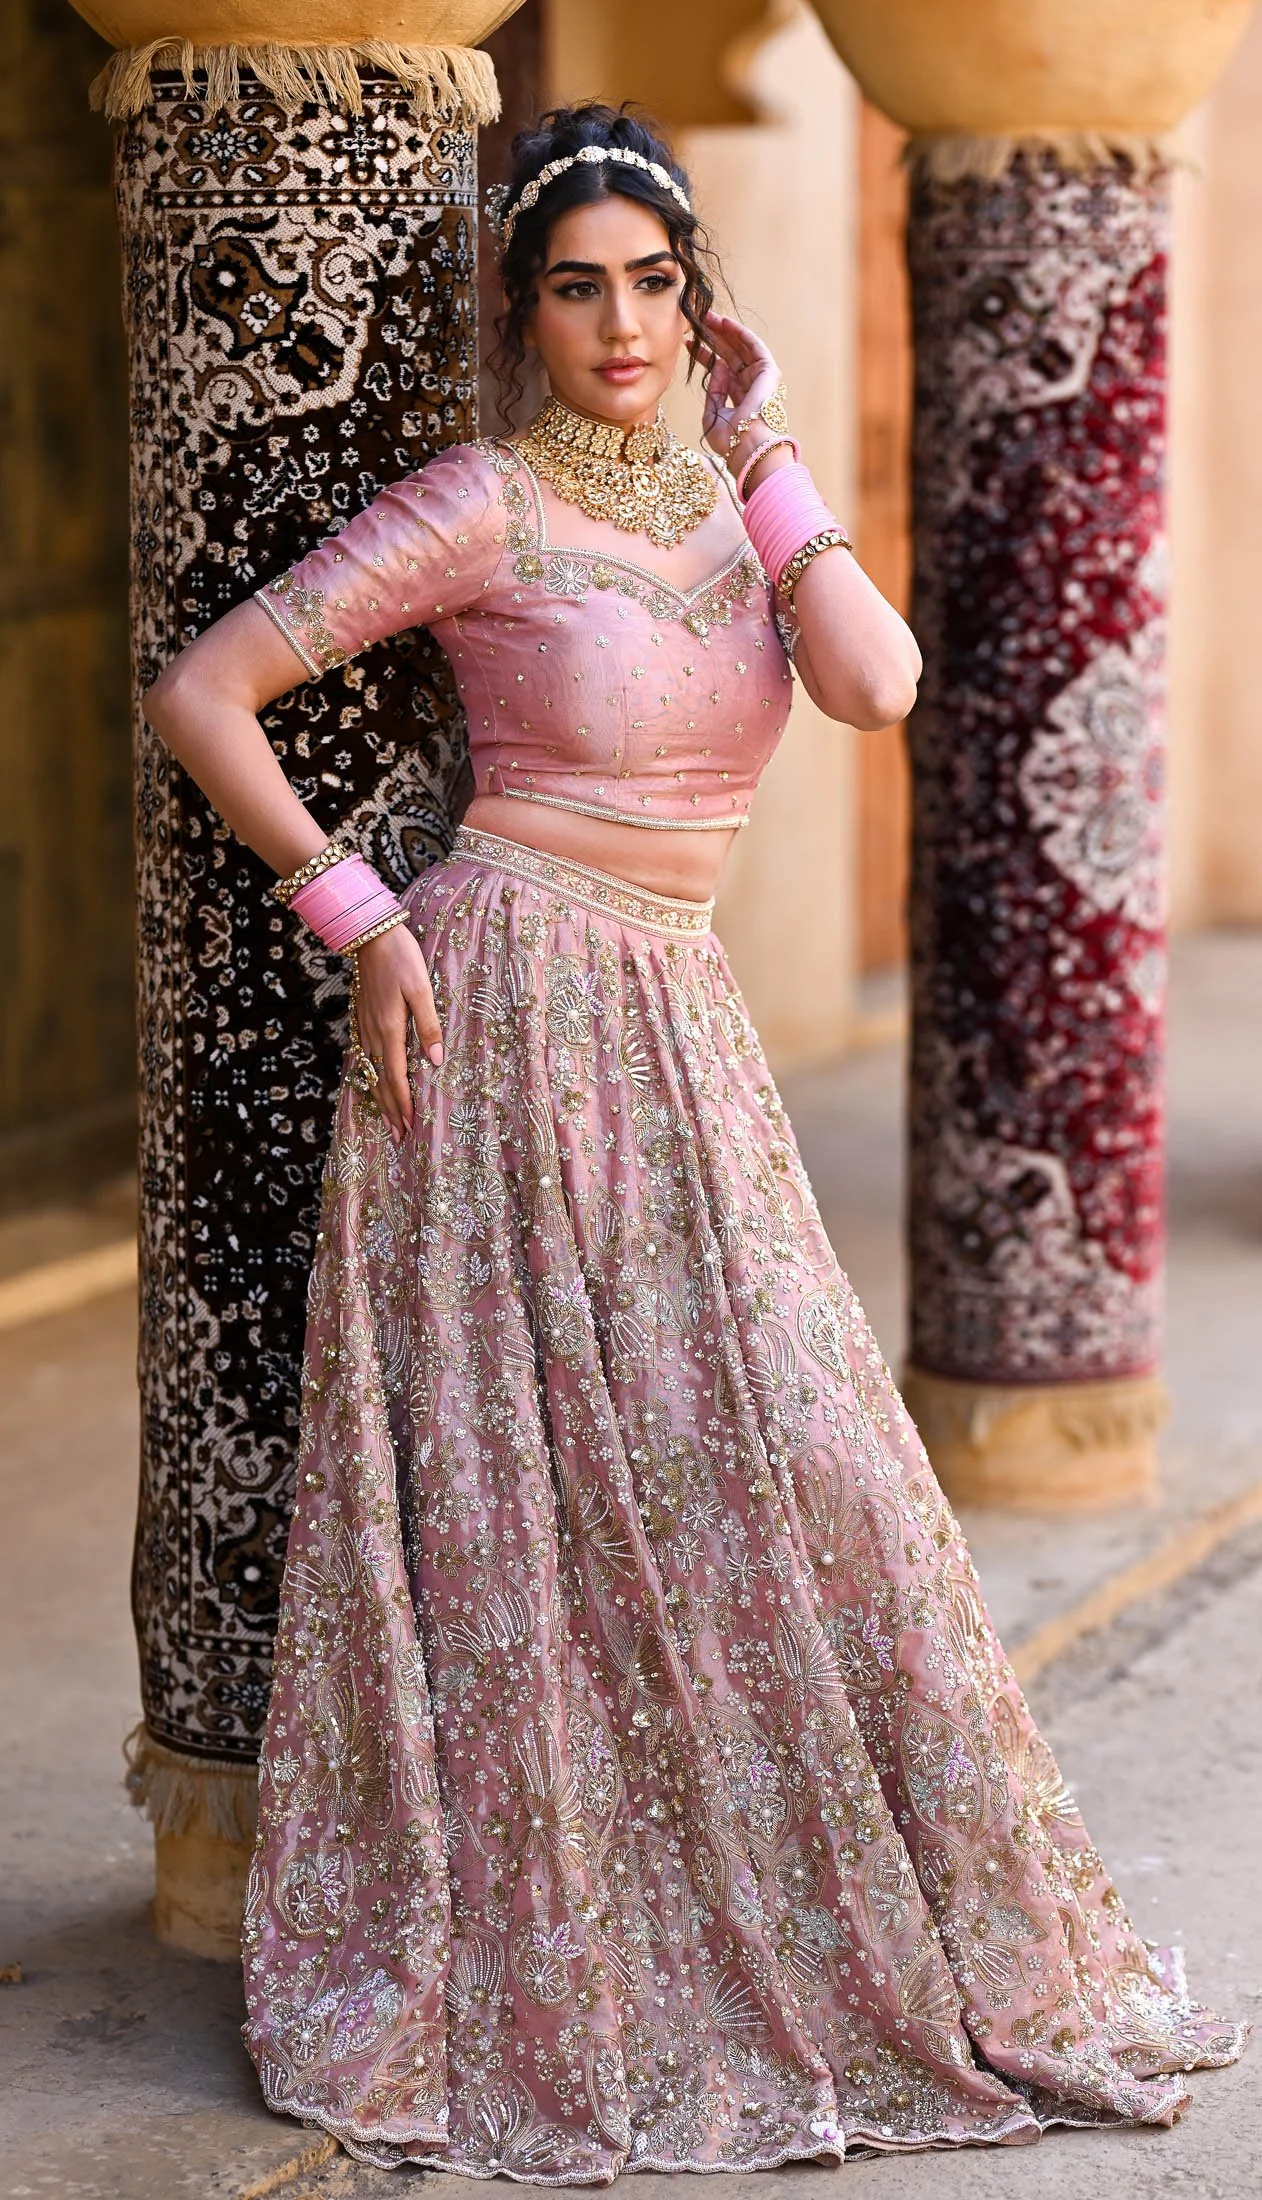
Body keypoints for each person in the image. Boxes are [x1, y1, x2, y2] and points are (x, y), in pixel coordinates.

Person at [146, 101, 1243, 2181]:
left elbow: (882, 680)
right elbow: (208, 691)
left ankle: (859, 1918)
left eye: (654, 280)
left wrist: (771, 462)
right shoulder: (482, 502)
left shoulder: (744, 510)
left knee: (791, 1452)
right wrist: (356, 911)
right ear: (524, 310)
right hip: (493, 1016)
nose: (619, 320)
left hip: (679, 1017)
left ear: (700, 299)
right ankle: (552, 1933)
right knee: (525, 1488)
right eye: (577, 286)